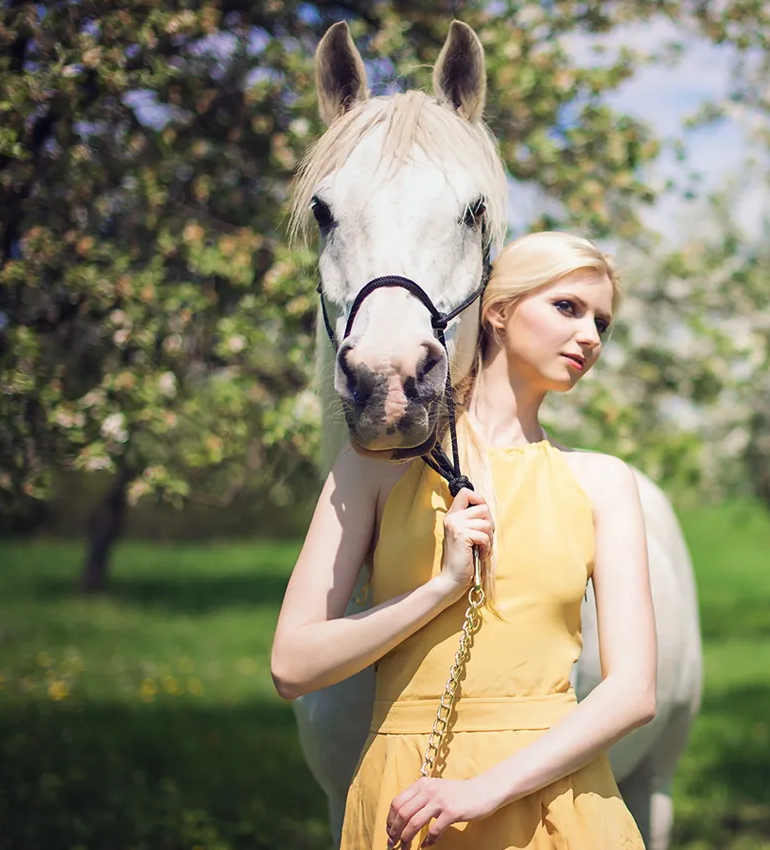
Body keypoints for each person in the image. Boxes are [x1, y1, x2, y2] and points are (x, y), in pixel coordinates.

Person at [271, 231, 655, 850]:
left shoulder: (603, 482)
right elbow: (292, 666)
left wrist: (483, 791)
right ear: (498, 311)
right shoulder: (376, 467)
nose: (589, 336)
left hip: (557, 803)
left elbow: (633, 693)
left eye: (601, 323)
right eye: (568, 307)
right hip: (407, 801)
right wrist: (441, 588)